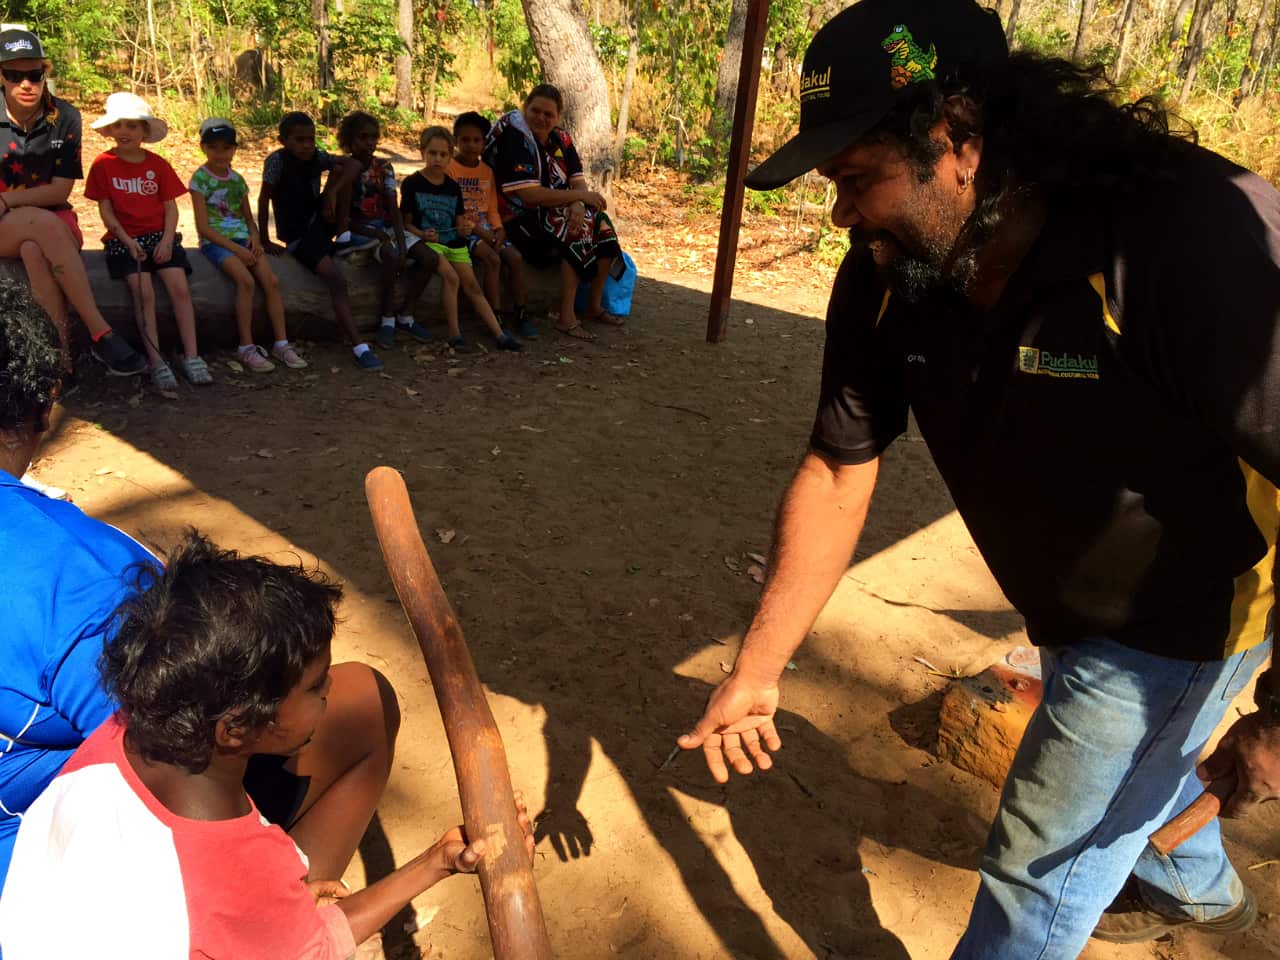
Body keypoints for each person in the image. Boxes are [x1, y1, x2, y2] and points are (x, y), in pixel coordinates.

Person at [677, 1, 1280, 957]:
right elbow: (838, 469)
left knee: (1035, 881)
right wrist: (757, 670)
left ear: (958, 139)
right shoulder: (889, 274)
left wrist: (1278, 719)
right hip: (1068, 603)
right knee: (1133, 781)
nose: (841, 215)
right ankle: (1192, 879)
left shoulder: (1182, 241)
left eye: (856, 179)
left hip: (1186, 614)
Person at [0, 277, 403, 904]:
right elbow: (168, 766)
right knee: (367, 700)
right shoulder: (84, 575)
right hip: (47, 894)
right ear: (43, 404)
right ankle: (284, 914)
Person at [0, 531, 535, 958]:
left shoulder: (117, 739)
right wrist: (435, 866)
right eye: (316, 688)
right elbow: (316, 947)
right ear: (236, 727)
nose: (329, 695)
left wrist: (438, 857)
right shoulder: (241, 870)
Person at [0, 27, 144, 376]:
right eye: (14, 75)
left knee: (35, 249)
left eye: (35, 74)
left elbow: (60, 191)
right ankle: (100, 331)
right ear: (1, 76)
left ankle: (59, 363)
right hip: (6, 224)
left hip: (49, 218)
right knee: (42, 225)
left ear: (45, 72)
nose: (26, 84)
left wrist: (5, 199)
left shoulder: (64, 117)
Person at [85, 92, 210, 391]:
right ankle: (155, 361)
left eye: (132, 125)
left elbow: (170, 207)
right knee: (143, 293)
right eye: (118, 125)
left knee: (179, 288)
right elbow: (105, 210)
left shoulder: (158, 164)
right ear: (109, 129)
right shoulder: (103, 164)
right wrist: (127, 241)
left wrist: (167, 240)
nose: (124, 132)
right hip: (123, 239)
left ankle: (192, 355)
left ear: (144, 131)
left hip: (159, 235)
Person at [484, 83, 622, 341]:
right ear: (525, 108)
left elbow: (577, 181)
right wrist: (578, 199)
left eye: (549, 114)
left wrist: (578, 203)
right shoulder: (516, 138)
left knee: (602, 225)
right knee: (574, 227)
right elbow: (529, 195)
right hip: (517, 216)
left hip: (551, 210)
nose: (541, 118)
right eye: (535, 111)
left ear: (558, 116)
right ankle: (566, 317)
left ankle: (593, 305)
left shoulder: (562, 140)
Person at [258, 111, 384, 371]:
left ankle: (344, 236)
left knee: (340, 170)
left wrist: (332, 194)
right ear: (283, 140)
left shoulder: (316, 157)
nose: (307, 145)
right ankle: (359, 346)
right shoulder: (277, 162)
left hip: (319, 220)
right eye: (299, 140)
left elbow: (354, 165)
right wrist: (264, 239)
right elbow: (263, 199)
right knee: (336, 280)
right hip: (298, 235)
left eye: (311, 139)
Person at [190, 117, 305, 372]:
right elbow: (203, 227)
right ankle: (246, 347)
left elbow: (247, 218)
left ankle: (281, 343)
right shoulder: (200, 180)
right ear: (203, 148)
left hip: (242, 238)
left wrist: (254, 237)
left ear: (234, 149)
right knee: (246, 282)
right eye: (213, 147)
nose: (220, 153)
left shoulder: (237, 180)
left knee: (271, 281)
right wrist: (237, 250)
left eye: (226, 148)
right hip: (216, 242)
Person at [403, 126, 522, 353]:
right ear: (422, 152)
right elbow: (406, 223)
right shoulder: (412, 183)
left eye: (443, 154)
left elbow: (459, 223)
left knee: (473, 286)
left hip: (453, 242)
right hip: (430, 243)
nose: (437, 159)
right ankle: (455, 335)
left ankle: (499, 334)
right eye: (432, 153)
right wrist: (422, 235)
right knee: (451, 277)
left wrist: (465, 230)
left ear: (450, 156)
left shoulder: (453, 187)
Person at [337, 111, 438, 347]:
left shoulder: (383, 167)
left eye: (374, 137)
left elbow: (393, 207)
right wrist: (378, 236)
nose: (370, 142)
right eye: (363, 137)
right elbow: (343, 218)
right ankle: (387, 319)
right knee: (390, 256)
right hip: (361, 232)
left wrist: (402, 243)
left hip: (387, 227)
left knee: (429, 259)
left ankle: (406, 315)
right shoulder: (343, 169)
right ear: (349, 140)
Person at [448, 112, 532, 338]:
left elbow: (491, 207)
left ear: (484, 143)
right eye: (465, 139)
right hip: (464, 230)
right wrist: (482, 233)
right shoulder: (450, 169)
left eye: (477, 140)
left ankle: (522, 312)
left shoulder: (487, 171)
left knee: (515, 258)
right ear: (456, 141)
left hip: (487, 228)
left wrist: (499, 229)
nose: (471, 145)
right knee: (493, 259)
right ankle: (495, 315)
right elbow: (453, 211)